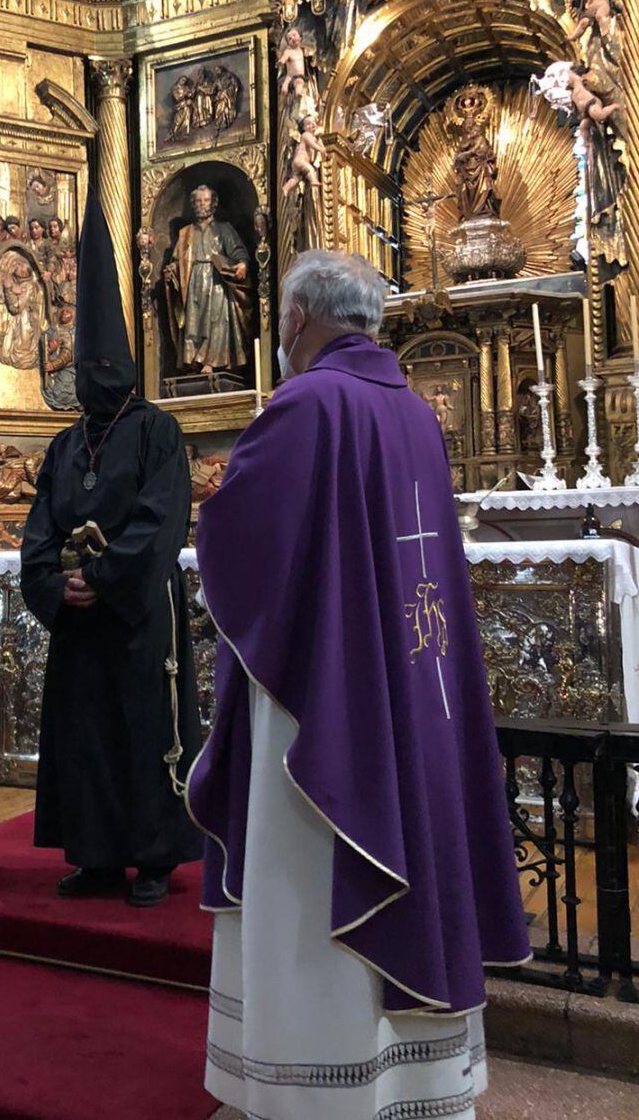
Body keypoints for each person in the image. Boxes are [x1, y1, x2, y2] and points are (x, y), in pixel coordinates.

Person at [185, 250, 530, 1119]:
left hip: (327, 699)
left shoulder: (305, 403)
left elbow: (237, 536)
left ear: (297, 319)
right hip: (414, 681)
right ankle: (416, 1080)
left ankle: (316, 1081)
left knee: (314, 864)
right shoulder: (414, 412)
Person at [21, 191, 202, 908]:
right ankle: (95, 855)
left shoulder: (158, 432)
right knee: (85, 734)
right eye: (84, 361)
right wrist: (53, 582)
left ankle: (154, 855)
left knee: (143, 727)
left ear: (123, 364)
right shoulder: (67, 443)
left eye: (104, 361)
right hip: (80, 619)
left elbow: (162, 520)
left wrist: (103, 575)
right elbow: (39, 523)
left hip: (134, 613)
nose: (93, 373)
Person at [163, 185, 252, 374]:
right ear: (193, 205)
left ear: (213, 204)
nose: (201, 205)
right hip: (193, 280)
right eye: (197, 201)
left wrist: (242, 264)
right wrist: (172, 269)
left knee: (217, 320)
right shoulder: (186, 232)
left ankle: (212, 361)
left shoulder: (224, 229)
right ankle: (193, 360)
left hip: (217, 280)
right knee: (193, 321)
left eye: (205, 200)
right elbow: (177, 260)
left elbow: (238, 252)